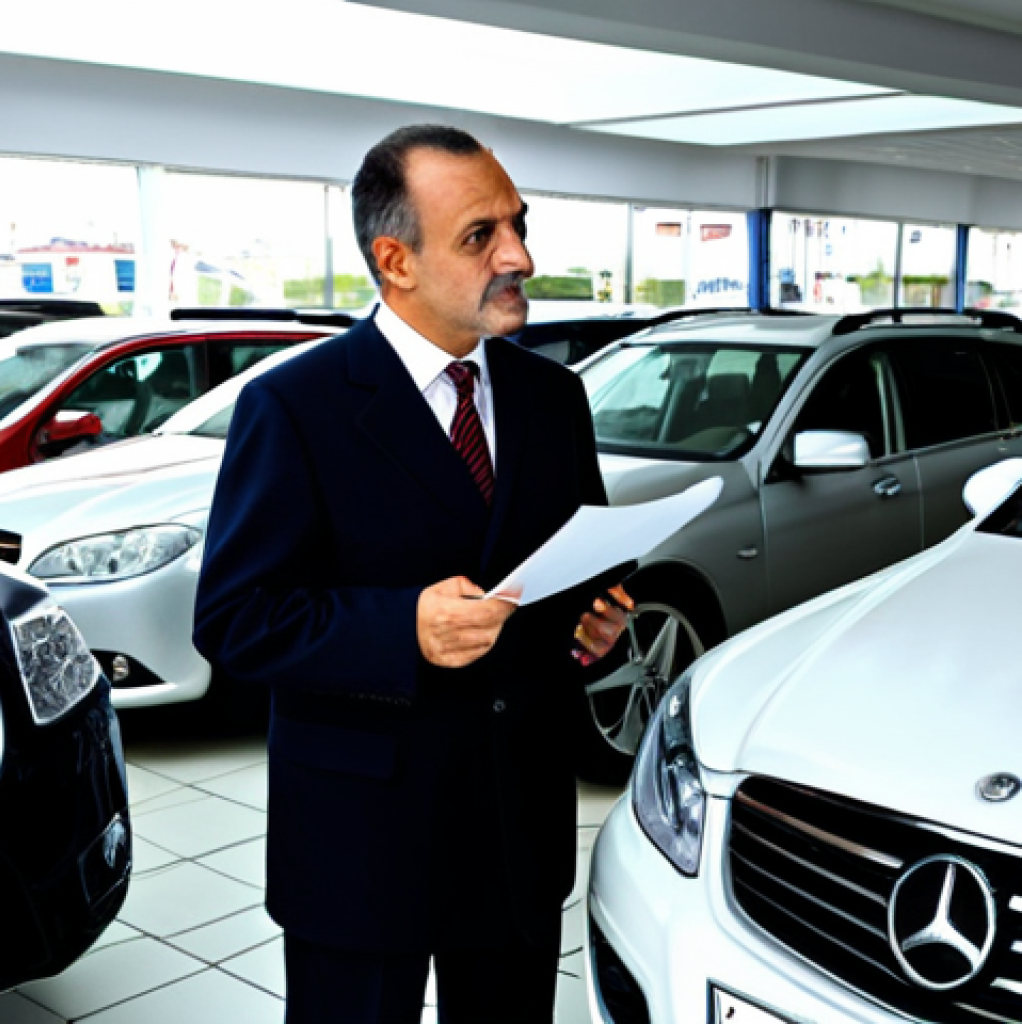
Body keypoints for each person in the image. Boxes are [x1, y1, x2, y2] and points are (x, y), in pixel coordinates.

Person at [193, 123, 631, 1024]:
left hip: (515, 825)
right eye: (480, 236)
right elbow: (236, 618)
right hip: (363, 836)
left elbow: (582, 565)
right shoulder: (294, 404)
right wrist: (404, 629)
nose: (519, 256)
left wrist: (597, 627)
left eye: (517, 224)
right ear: (395, 261)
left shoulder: (554, 397)